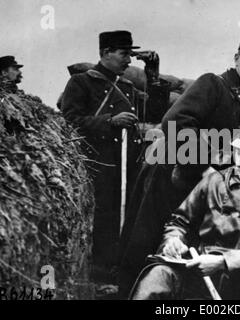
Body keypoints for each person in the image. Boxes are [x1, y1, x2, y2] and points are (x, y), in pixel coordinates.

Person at [118, 30, 240, 297]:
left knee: (180, 243)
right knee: (149, 238)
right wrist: (209, 163)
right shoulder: (212, 84)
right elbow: (176, 121)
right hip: (170, 172)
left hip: (196, 180)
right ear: (237, 57)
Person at [130, 117, 240, 300]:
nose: (239, 162)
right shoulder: (215, 181)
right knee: (159, 274)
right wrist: (173, 239)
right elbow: (180, 221)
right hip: (200, 275)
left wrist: (224, 261)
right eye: (238, 152)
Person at [61, 30, 168, 296]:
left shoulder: (129, 88)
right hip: (98, 164)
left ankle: (121, 276)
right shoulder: (82, 83)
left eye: (130, 55)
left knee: (129, 217)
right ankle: (99, 279)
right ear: (105, 52)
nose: (128, 61)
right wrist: (110, 123)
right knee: (104, 219)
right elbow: (69, 122)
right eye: (123, 54)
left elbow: (156, 112)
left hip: (128, 165)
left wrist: (153, 74)